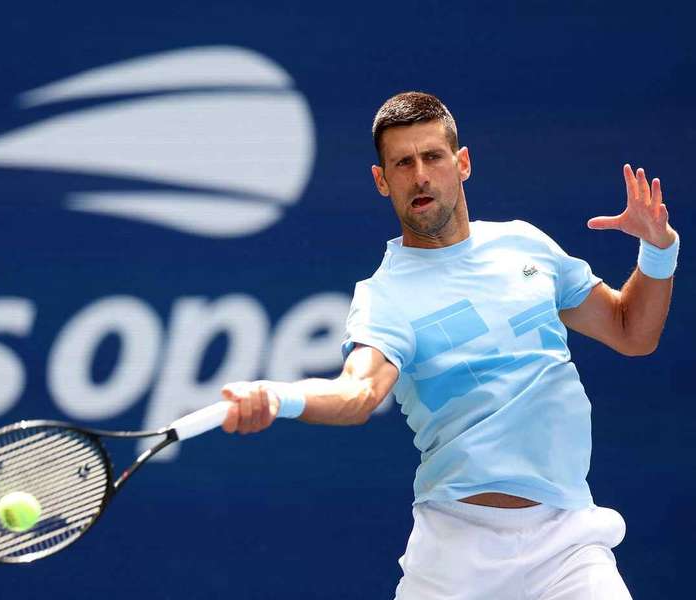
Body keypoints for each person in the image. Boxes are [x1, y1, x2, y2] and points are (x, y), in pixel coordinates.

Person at [219, 91, 678, 599]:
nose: (420, 175)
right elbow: (357, 394)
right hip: (455, 557)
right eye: (402, 163)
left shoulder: (526, 245)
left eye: (432, 157)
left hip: (568, 543)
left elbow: (631, 331)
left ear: (462, 163)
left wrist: (658, 250)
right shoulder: (384, 298)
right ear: (381, 181)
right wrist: (278, 397)